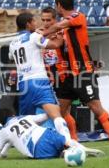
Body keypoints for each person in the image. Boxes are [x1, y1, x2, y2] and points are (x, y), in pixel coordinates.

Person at [42, 0, 109, 155]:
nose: (46, 22)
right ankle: (74, 144)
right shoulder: (61, 29)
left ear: (59, 5)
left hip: (83, 73)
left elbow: (58, 26)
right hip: (66, 77)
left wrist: (41, 33)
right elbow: (56, 40)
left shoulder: (77, 16)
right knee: (61, 112)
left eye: (48, 19)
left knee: (95, 106)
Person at [8, 12, 73, 145]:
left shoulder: (12, 43)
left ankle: (16, 147)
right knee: (56, 114)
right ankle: (68, 142)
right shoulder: (34, 36)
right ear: (28, 24)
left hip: (23, 84)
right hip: (38, 81)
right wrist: (60, 34)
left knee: (26, 120)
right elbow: (55, 45)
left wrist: (42, 35)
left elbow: (11, 57)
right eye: (34, 21)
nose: (36, 24)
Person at [0, 114, 104, 160]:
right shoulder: (25, 118)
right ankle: (73, 145)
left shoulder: (4, 132)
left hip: (38, 151)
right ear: (14, 115)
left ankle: (65, 152)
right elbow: (45, 116)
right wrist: (53, 111)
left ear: (1, 122)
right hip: (47, 135)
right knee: (58, 120)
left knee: (54, 149)